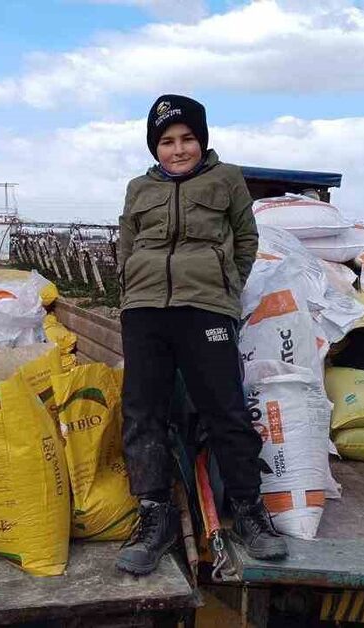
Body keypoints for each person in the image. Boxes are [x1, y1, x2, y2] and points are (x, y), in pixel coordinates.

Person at [113, 94, 288, 576]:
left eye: (188, 138)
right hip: (145, 310)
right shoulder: (137, 188)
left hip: (205, 306)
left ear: (202, 140)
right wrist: (129, 288)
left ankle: (251, 512)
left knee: (224, 407)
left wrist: (227, 285)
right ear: (155, 148)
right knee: (142, 411)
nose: (178, 149)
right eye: (167, 141)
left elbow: (245, 239)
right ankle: (155, 515)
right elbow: (127, 243)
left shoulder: (227, 179)